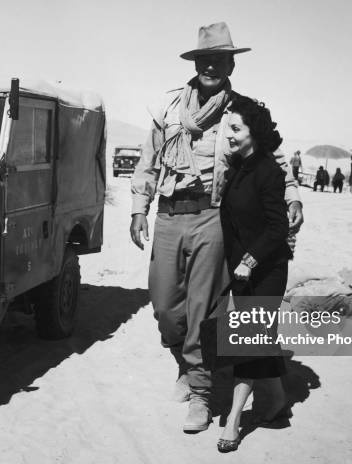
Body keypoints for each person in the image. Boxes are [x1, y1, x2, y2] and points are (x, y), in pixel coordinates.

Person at [130, 22, 304, 433]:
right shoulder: (170, 108)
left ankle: (203, 396)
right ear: (196, 62)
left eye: (219, 60)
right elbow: (148, 161)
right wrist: (139, 207)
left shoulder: (244, 111)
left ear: (231, 65)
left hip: (212, 216)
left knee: (203, 311)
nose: (211, 66)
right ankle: (187, 367)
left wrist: (293, 195)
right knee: (165, 309)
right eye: (204, 59)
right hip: (169, 215)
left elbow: (274, 156)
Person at [218, 94, 293, 453]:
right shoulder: (236, 169)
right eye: (227, 128)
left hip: (267, 270)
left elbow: (278, 228)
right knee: (258, 337)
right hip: (242, 272)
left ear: (254, 132)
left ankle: (233, 421)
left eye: (235, 128)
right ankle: (277, 400)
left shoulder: (268, 171)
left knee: (247, 340)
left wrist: (249, 260)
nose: (228, 134)